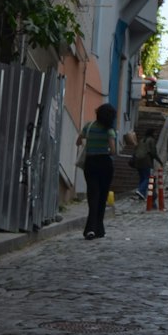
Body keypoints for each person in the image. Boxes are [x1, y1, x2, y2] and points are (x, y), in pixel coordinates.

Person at [78, 102, 118, 239]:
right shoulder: (109, 131)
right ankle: (99, 228)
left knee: (92, 195)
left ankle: (90, 229)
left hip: (90, 163)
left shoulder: (88, 127)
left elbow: (79, 141)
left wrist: (90, 144)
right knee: (102, 196)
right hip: (105, 164)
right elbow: (113, 151)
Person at [132, 128, 161, 200]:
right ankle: (140, 190)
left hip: (138, 161)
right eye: (155, 133)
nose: (156, 134)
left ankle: (142, 194)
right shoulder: (151, 140)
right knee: (148, 178)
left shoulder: (142, 140)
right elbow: (153, 152)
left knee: (142, 178)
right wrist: (159, 161)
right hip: (146, 161)